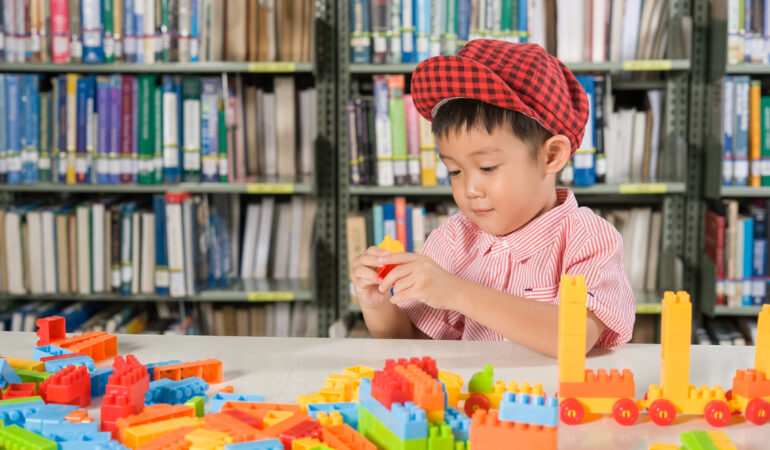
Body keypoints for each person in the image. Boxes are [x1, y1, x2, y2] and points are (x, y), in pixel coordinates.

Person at [350, 40, 635, 358]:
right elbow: (415, 344)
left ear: (551, 156)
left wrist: (455, 292)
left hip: (554, 401)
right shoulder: (453, 240)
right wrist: (378, 306)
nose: (470, 189)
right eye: (455, 172)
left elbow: (573, 337)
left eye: (487, 167)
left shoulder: (588, 239)